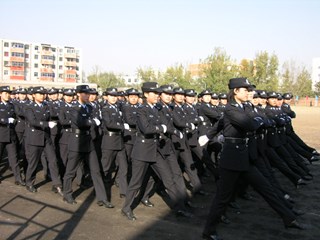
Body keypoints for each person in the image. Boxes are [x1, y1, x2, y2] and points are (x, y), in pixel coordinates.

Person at [199, 78, 305, 240]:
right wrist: (209, 136)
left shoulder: (243, 107)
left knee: (266, 188)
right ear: (235, 92)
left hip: (244, 155)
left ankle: (288, 218)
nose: (249, 92)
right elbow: (250, 124)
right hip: (232, 158)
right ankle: (208, 231)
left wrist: (209, 135)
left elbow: (223, 124)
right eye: (245, 90)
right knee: (222, 198)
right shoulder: (231, 109)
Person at [121, 82, 192, 221]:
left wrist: (174, 131)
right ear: (146, 94)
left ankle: (180, 208)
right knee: (136, 182)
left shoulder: (156, 109)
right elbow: (146, 128)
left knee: (168, 179)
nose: (157, 96)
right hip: (142, 151)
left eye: (158, 93)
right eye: (155, 93)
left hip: (155, 150)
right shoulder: (141, 110)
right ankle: (126, 208)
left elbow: (164, 124)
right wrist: (162, 129)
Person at [62, 85, 112, 208]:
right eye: (84, 93)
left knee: (96, 171)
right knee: (71, 171)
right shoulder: (74, 107)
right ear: (78, 94)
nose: (87, 95)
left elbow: (94, 120)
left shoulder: (90, 107)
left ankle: (102, 198)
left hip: (89, 141)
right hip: (77, 142)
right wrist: (92, 122)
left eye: (88, 93)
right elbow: (81, 123)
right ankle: (67, 194)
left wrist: (92, 122)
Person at [24, 86, 62, 194]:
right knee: (33, 162)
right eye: (39, 94)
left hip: (46, 137)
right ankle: (29, 182)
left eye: (43, 94)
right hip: (35, 137)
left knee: (53, 160)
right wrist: (46, 124)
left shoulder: (47, 105)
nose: (42, 95)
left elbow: (53, 115)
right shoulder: (29, 107)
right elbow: (32, 121)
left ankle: (57, 184)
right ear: (34, 95)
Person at [0, 86, 24, 185]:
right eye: (5, 93)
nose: (8, 95)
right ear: (0, 94)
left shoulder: (11, 105)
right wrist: (5, 121)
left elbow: (15, 116)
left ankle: (18, 178)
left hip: (11, 135)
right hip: (1, 134)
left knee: (14, 158)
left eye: (9, 93)